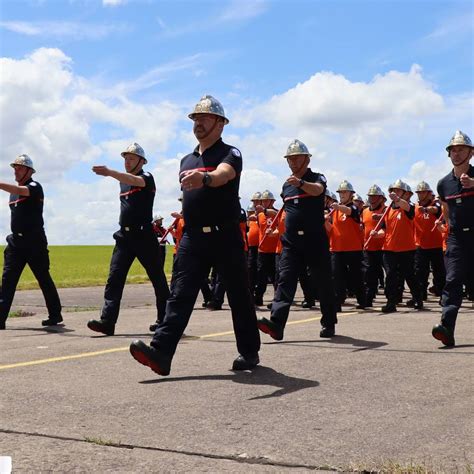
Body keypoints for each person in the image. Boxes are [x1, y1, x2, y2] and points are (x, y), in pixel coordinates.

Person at [129, 95, 261, 375]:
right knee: (180, 294)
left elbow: (224, 174)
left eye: (205, 118)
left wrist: (207, 178)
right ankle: (161, 353)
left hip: (224, 235)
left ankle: (249, 352)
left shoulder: (230, 153)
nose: (198, 123)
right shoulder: (186, 160)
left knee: (238, 295)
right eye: (195, 118)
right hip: (192, 237)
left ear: (221, 124)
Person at [257, 139, 338, 340]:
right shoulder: (287, 186)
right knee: (285, 280)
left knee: (323, 282)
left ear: (307, 159)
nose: (292, 162)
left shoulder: (317, 178)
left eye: (296, 158)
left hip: (315, 240)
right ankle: (277, 324)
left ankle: (329, 322)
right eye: (289, 159)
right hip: (291, 242)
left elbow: (318, 190)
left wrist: (301, 183)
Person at [87, 143, 170, 336]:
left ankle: (165, 320)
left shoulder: (146, 177)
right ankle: (107, 322)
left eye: (131, 158)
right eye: (125, 158)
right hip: (124, 237)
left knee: (157, 278)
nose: (127, 162)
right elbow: (126, 179)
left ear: (142, 161)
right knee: (114, 278)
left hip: (144, 237)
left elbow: (133, 179)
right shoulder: (123, 182)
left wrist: (109, 172)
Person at [0, 155, 63, 329]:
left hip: (34, 242)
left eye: (19, 168)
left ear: (29, 171)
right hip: (16, 243)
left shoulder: (34, 187)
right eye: (14, 168)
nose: (15, 171)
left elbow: (23, 191)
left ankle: (55, 314)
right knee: (7, 280)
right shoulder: (13, 192)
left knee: (43, 278)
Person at [432, 130, 474, 347]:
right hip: (457, 237)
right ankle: (447, 327)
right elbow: (446, 210)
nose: (456, 154)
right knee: (452, 280)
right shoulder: (444, 183)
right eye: (453, 150)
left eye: (461, 149)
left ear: (471, 152)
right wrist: (449, 230)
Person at [370, 179, 423, 313]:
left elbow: (407, 207)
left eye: (398, 191)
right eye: (393, 191)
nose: (395, 193)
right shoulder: (388, 210)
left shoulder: (408, 207)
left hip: (406, 248)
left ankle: (418, 298)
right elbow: (384, 230)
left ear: (405, 193)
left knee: (410, 275)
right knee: (390, 276)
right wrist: (377, 234)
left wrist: (398, 200)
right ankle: (391, 302)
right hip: (389, 249)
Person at [326, 180, 366, 310]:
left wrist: (338, 207)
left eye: (345, 192)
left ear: (351, 194)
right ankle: (337, 301)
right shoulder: (335, 211)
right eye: (341, 192)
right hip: (337, 248)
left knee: (356, 275)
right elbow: (331, 229)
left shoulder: (352, 207)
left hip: (353, 248)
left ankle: (362, 300)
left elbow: (350, 212)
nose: (342, 194)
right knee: (336, 276)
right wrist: (324, 221)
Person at [413, 181, 445, 301]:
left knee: (439, 272)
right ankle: (421, 295)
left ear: (428, 193)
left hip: (436, 245)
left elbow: (435, 209)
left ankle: (442, 294)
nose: (421, 194)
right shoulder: (415, 207)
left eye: (423, 192)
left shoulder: (435, 204)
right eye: (419, 192)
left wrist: (426, 210)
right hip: (420, 245)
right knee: (420, 272)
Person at [361, 185, 386, 307]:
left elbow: (387, 229)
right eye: (370, 196)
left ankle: (393, 298)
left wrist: (378, 234)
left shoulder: (386, 211)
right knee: (369, 274)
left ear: (381, 198)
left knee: (391, 273)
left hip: (384, 248)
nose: (372, 198)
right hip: (369, 248)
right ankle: (368, 299)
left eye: (375, 196)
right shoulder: (365, 212)